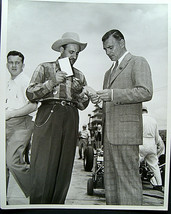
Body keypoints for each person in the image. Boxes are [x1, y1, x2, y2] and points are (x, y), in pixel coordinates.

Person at [90, 29, 153, 205]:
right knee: (110, 185)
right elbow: (109, 100)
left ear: (122, 42)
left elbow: (146, 91)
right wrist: (99, 99)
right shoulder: (107, 73)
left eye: (110, 48)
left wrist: (112, 95)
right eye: (105, 50)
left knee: (128, 183)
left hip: (126, 135)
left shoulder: (137, 62)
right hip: (109, 137)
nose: (108, 52)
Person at [26, 32, 89, 204]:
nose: (74, 56)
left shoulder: (80, 75)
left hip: (71, 116)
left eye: (77, 53)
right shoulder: (44, 68)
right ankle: (38, 207)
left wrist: (80, 93)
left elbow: (84, 105)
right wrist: (51, 82)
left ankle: (57, 206)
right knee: (44, 165)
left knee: (64, 167)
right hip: (49, 113)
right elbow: (30, 94)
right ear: (61, 50)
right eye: (71, 52)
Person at [6, 51, 37, 199]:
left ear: (22, 65)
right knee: (2, 165)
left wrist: (12, 114)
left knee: (13, 162)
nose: (13, 65)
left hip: (22, 123)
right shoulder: (7, 82)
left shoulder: (26, 81)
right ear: (7, 64)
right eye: (11, 62)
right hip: (7, 124)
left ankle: (38, 190)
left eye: (17, 63)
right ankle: (3, 199)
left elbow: (33, 106)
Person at [139, 105, 165, 191]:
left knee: (136, 164)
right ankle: (159, 184)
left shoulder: (139, 119)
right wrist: (156, 144)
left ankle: (135, 182)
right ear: (146, 111)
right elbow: (157, 137)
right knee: (154, 165)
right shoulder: (153, 120)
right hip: (151, 143)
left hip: (141, 143)